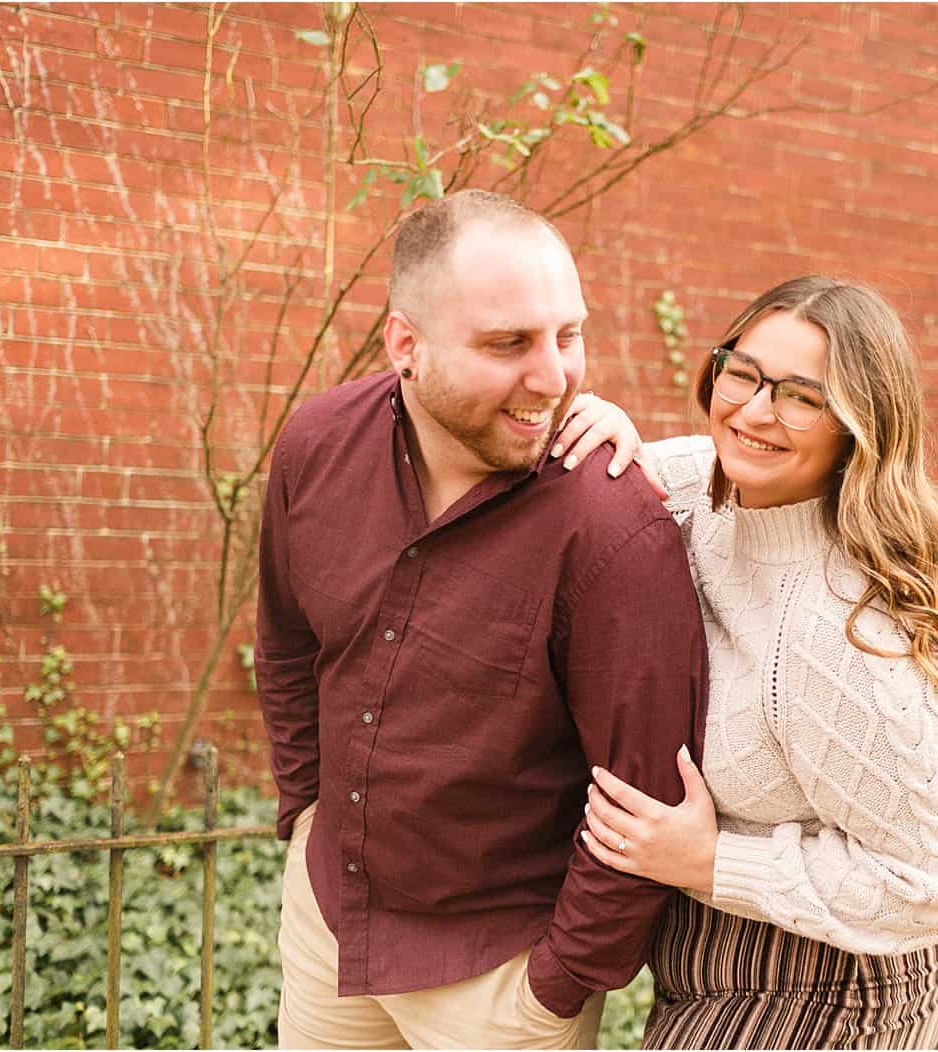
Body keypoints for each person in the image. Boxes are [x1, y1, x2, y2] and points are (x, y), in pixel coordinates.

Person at [255, 189, 709, 1050]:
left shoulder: (610, 525)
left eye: (567, 336)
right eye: (509, 344)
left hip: (500, 975)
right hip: (331, 929)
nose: (554, 376)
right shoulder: (315, 448)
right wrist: (308, 815)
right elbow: (288, 643)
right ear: (405, 345)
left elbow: (646, 784)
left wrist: (557, 986)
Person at [551, 275, 938, 1049]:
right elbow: (608, 470)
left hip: (835, 987)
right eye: (743, 373)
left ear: (857, 428)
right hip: (703, 959)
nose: (753, 411)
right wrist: (603, 423)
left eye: (802, 397)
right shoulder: (694, 489)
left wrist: (713, 861)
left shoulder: (853, 634)